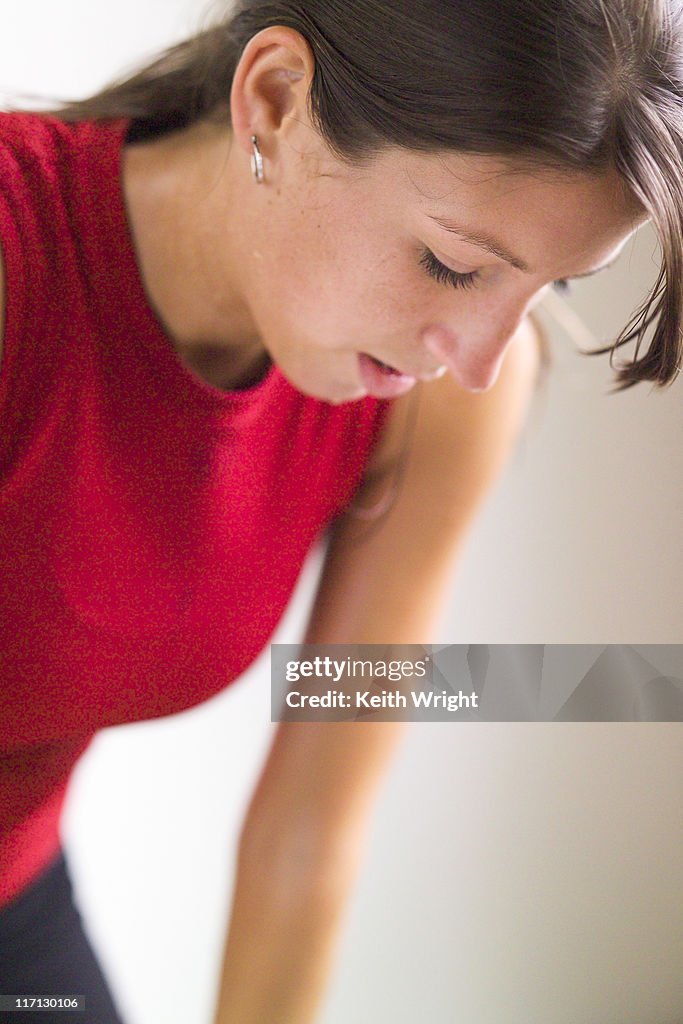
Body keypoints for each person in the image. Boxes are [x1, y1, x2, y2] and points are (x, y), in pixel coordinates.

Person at [0, 1, 681, 1021]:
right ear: (273, 103)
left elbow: (309, 831)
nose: (480, 355)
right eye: (452, 263)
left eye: (546, 288)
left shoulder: (442, 409)